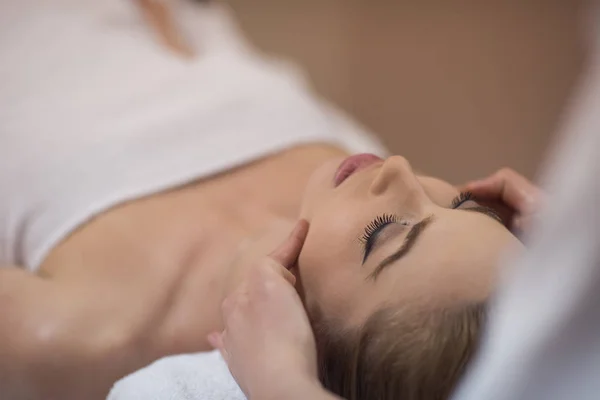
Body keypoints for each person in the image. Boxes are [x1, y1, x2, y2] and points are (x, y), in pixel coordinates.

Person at [0, 1, 530, 399]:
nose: (398, 169)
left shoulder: (88, 334)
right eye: (460, 205)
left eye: (385, 232)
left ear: (305, 343)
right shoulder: (345, 180)